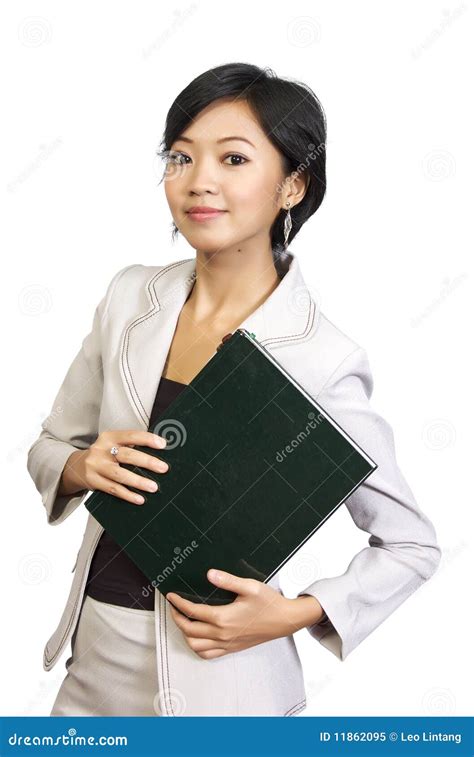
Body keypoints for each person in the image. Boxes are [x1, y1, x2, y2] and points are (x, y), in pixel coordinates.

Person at [27, 62, 441, 717]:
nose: (199, 181)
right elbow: (51, 445)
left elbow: (411, 543)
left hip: (225, 693)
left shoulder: (320, 356)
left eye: (234, 158)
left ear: (292, 186)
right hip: (89, 680)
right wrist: (81, 464)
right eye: (181, 157)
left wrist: (291, 614)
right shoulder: (129, 296)